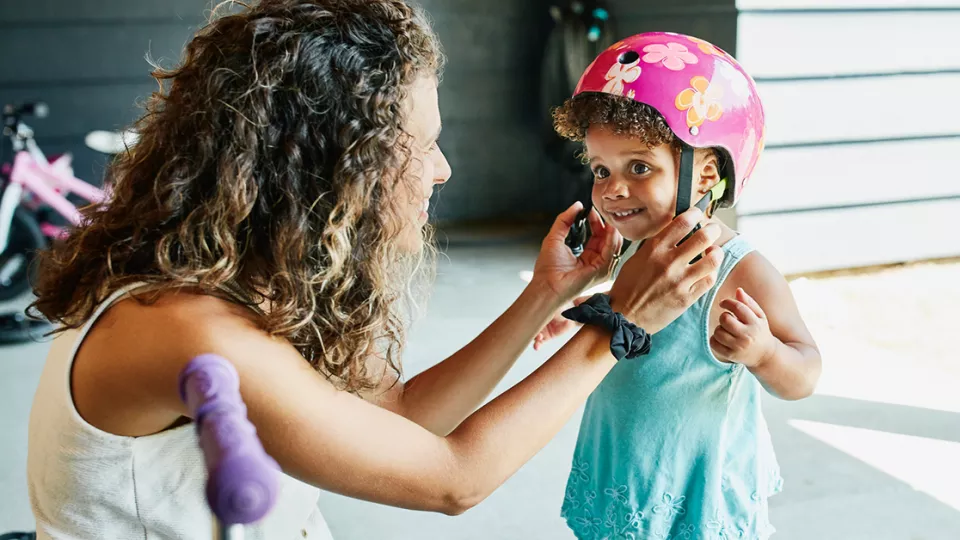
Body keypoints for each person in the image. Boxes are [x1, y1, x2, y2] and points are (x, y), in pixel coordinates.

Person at [23, 3, 724, 539]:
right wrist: (620, 323)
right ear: (327, 163)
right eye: (420, 145)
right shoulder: (186, 329)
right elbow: (452, 480)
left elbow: (398, 417)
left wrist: (549, 293)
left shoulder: (242, 275)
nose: (442, 169)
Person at [535, 32, 822, 539]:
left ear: (706, 173)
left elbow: (806, 370)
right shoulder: (641, 248)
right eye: (600, 169)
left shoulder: (738, 270)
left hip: (688, 493)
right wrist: (587, 306)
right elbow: (640, 313)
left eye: (639, 167)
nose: (611, 189)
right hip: (627, 473)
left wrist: (763, 353)